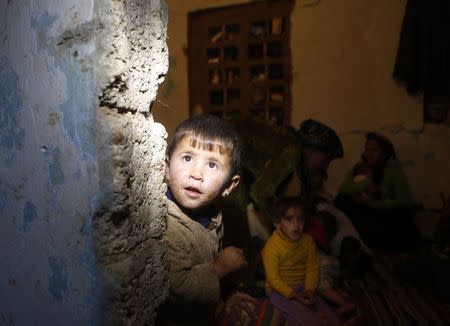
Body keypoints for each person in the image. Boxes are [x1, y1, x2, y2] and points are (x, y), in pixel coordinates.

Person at [157, 114, 257, 325]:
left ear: (229, 186)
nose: (196, 174)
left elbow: (206, 258)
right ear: (166, 167)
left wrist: (225, 297)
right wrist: (219, 268)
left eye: (212, 165)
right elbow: (177, 288)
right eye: (187, 158)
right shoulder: (168, 225)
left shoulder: (212, 214)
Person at [335, 132, 420, 251]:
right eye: (367, 150)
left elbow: (404, 201)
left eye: (374, 150)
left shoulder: (393, 169)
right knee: (340, 200)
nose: (369, 154)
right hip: (366, 212)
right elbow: (343, 189)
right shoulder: (361, 167)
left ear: (385, 153)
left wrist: (375, 204)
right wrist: (367, 182)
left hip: (383, 214)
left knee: (403, 215)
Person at [262, 197, 340, 325]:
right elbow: (273, 279)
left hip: (303, 287)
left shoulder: (308, 241)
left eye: (301, 219)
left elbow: (312, 268)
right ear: (277, 223)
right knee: (303, 315)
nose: (296, 224)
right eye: (289, 219)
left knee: (324, 310)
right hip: (279, 291)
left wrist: (310, 290)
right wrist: (294, 295)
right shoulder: (271, 247)